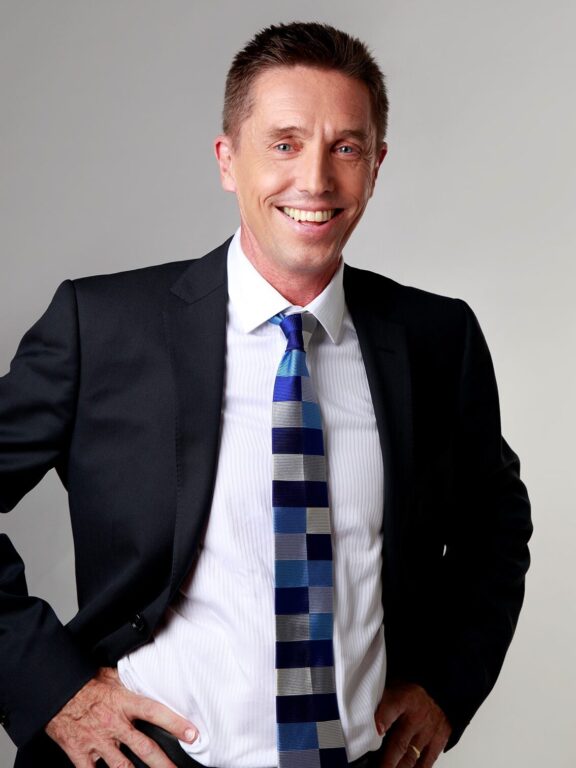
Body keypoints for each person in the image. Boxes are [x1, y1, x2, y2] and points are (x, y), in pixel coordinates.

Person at [0, 21, 531, 768]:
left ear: (376, 166)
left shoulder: (436, 340)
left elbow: (494, 528)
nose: (315, 180)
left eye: (346, 148)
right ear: (228, 160)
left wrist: (447, 684)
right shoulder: (102, 328)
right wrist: (53, 688)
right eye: (284, 143)